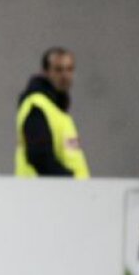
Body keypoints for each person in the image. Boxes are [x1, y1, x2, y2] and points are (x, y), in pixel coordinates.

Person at [16, 47, 90, 178]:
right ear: (45, 72)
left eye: (69, 69)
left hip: (60, 193)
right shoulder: (37, 106)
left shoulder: (57, 109)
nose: (65, 75)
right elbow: (39, 157)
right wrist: (71, 181)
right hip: (44, 194)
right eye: (58, 69)